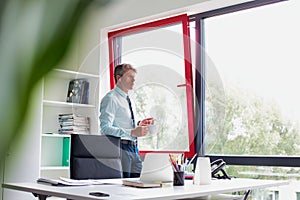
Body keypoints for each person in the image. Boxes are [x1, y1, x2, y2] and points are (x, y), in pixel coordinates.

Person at [99, 63, 153, 178]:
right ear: (119, 78)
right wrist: (132, 132)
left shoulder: (130, 100)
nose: (134, 80)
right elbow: (104, 128)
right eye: (130, 76)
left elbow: (126, 123)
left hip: (134, 149)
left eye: (134, 77)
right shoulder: (111, 98)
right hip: (120, 149)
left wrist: (140, 125)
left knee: (139, 185)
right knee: (123, 189)